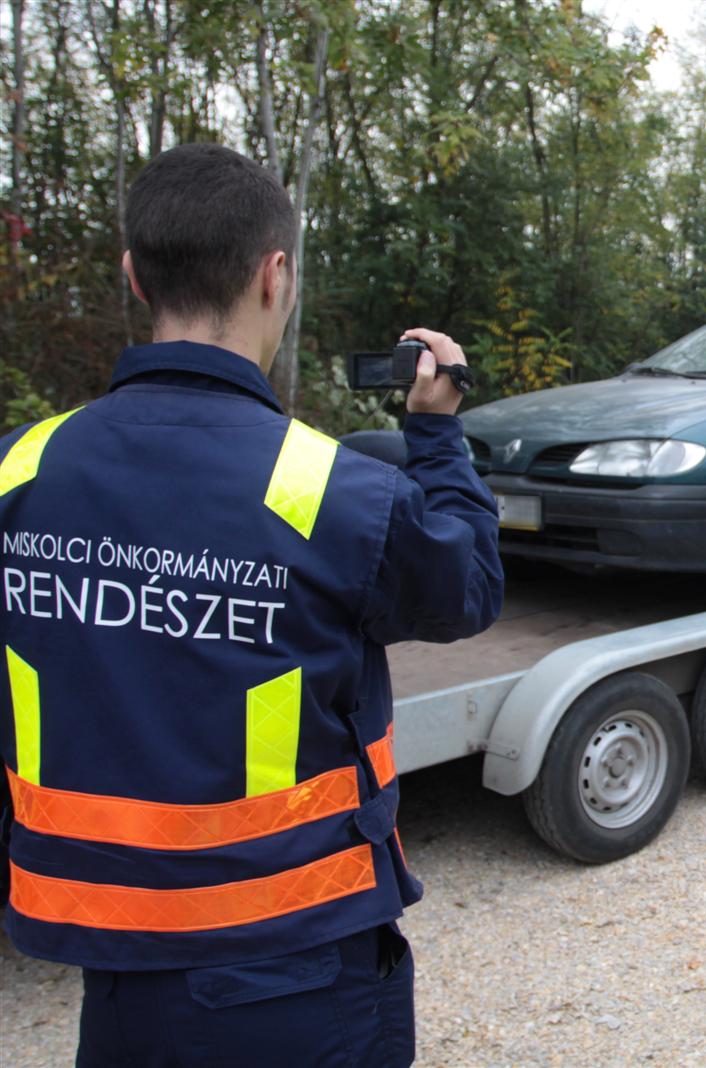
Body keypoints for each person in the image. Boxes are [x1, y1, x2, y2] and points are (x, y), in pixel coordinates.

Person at [0, 142, 504, 1066]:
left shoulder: (20, 469)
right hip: (290, 959)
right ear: (276, 276)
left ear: (134, 275)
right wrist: (435, 433)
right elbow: (465, 589)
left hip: (107, 956)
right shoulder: (333, 491)